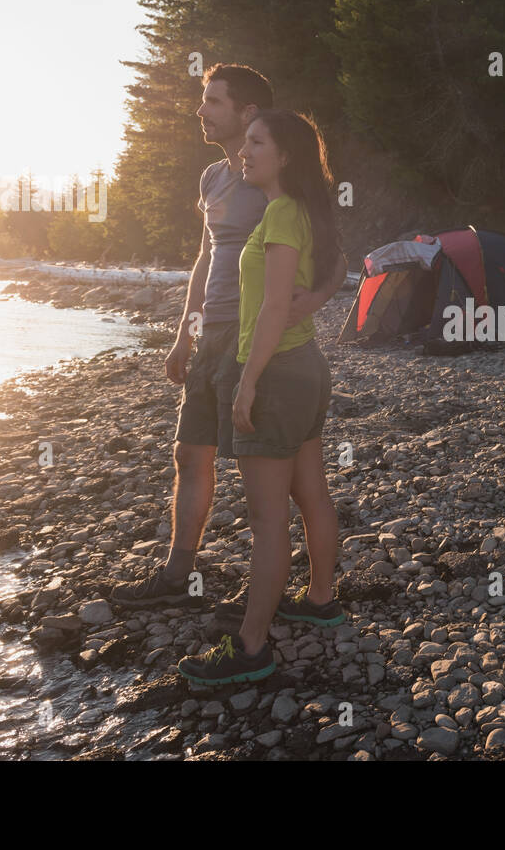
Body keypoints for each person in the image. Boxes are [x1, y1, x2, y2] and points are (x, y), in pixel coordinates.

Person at [111, 64, 343, 610]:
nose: (201, 110)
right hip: (210, 337)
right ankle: (177, 576)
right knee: (191, 457)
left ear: (247, 113)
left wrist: (316, 298)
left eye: (213, 101)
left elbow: (332, 251)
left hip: (253, 343)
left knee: (264, 476)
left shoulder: (272, 176)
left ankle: (272, 599)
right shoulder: (213, 177)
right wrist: (183, 335)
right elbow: (204, 258)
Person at [178, 109, 344, 686]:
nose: (244, 152)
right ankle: (320, 598)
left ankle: (252, 649)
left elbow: (274, 306)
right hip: (307, 367)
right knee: (312, 494)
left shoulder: (279, 212)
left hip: (275, 375)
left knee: (267, 519)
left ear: (286, 156)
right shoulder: (308, 211)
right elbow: (320, 281)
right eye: (244, 143)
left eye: (256, 143)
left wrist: (247, 381)